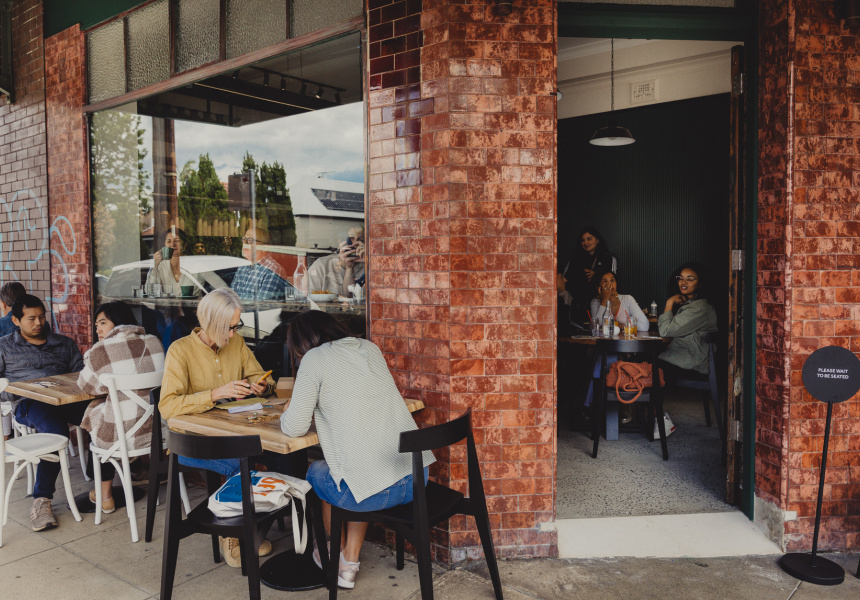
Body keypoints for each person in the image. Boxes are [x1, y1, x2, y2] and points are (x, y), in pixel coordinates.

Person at [280, 310, 435, 590]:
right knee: (357, 467)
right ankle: (349, 561)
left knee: (319, 473)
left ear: (302, 344)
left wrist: (289, 408)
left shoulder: (313, 360)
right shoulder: (369, 348)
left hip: (374, 494)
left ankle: (335, 555)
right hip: (416, 480)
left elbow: (294, 428)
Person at [159, 288, 296, 567]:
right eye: (229, 328)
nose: (233, 334)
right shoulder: (181, 351)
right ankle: (231, 533)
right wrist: (214, 394)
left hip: (235, 431)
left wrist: (263, 384)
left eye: (236, 326)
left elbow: (260, 376)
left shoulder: (237, 344)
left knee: (286, 457)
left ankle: (258, 529)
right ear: (210, 323)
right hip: (192, 442)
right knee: (243, 464)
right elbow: (167, 407)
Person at [0, 295, 85, 531]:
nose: (38, 323)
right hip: (29, 403)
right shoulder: (4, 347)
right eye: (31, 318)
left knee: (101, 415)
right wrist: (17, 391)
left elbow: (82, 375)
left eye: (41, 317)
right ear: (16, 320)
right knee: (56, 430)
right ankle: (42, 500)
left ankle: (112, 480)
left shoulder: (64, 343)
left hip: (67, 399)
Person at [76, 301, 165, 514]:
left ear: (118, 321)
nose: (98, 329)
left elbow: (86, 386)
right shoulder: (154, 341)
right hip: (156, 432)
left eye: (103, 322)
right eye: (96, 324)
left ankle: (104, 495)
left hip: (119, 438)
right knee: (109, 410)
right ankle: (136, 469)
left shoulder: (101, 349)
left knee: (97, 414)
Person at [582, 273, 650, 419]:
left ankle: (590, 405)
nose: (609, 285)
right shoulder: (596, 302)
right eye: (604, 281)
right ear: (599, 287)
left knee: (606, 358)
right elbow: (598, 329)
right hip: (605, 349)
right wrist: (604, 300)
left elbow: (644, 325)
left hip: (628, 350)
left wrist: (622, 325)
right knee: (605, 356)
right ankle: (622, 407)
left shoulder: (627, 299)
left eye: (612, 281)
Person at [657, 263, 718, 379]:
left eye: (690, 279)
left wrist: (669, 302)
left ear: (700, 284)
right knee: (645, 360)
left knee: (647, 363)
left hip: (693, 360)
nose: (683, 282)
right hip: (683, 353)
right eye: (681, 278)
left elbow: (665, 331)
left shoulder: (699, 308)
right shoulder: (690, 304)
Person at [559, 227, 617, 324]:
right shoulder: (574, 258)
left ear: (597, 240)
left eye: (589, 239)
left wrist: (597, 275)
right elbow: (562, 280)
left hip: (602, 304)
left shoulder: (609, 258)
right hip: (578, 307)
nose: (585, 243)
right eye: (583, 240)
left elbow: (615, 280)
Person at [230, 227, 294, 301]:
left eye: (250, 240)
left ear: (264, 247)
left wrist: (236, 300)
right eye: (244, 239)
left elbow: (261, 305)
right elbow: (231, 296)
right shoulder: (243, 266)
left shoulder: (273, 269)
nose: (244, 243)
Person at [306, 226, 366, 298]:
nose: (355, 243)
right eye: (351, 238)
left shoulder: (370, 267)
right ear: (340, 242)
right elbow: (308, 300)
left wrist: (370, 261)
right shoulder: (321, 266)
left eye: (361, 240)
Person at [146, 227, 201, 296]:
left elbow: (218, 284)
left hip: (193, 306)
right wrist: (154, 265)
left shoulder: (196, 265)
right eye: (169, 241)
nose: (172, 245)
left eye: (177, 241)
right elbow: (149, 291)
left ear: (184, 245)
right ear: (165, 245)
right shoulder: (160, 266)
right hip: (166, 306)